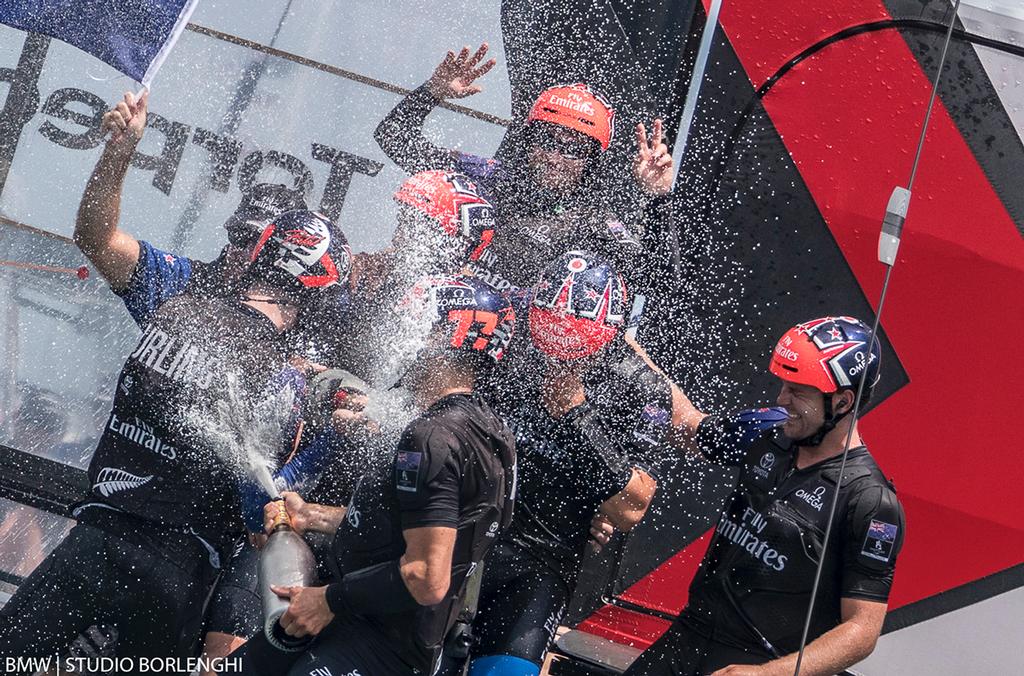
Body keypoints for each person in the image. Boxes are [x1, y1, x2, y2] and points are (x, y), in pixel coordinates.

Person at [0, 209, 351, 671]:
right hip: (174, 571)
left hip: (95, 538)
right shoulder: (282, 376)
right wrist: (333, 440)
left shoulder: (175, 310)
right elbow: (257, 509)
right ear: (316, 293)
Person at [234, 274, 518, 676]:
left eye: (413, 325)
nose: (401, 340)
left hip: (376, 644)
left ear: (441, 338)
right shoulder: (491, 432)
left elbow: (427, 576)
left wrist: (330, 600)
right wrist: (310, 515)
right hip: (361, 625)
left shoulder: (432, 436)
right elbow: (409, 523)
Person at [621, 316, 906, 676]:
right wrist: (620, 347)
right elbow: (691, 427)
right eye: (784, 384)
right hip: (687, 637)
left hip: (761, 661)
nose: (781, 398)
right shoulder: (768, 430)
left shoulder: (871, 502)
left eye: (798, 390)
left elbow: (861, 632)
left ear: (843, 402)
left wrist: (767, 674)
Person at [455, 251, 658, 676]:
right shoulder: (511, 343)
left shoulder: (635, 385)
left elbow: (631, 508)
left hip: (540, 563)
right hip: (464, 537)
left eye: (574, 350)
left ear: (608, 334)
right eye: (548, 343)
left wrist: (578, 418)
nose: (558, 360)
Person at [374, 44, 675, 292]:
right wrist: (433, 91)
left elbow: (659, 280)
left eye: (574, 149)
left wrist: (658, 197)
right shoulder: (485, 177)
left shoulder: (592, 223)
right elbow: (394, 138)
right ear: (530, 141)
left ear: (591, 162)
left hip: (505, 353)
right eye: (548, 139)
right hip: (438, 328)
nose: (556, 156)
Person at [76, 91, 310, 329]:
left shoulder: (303, 323)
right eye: (242, 236)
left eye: (261, 247)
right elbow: (97, 242)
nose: (246, 252)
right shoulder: (185, 283)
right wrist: (119, 151)